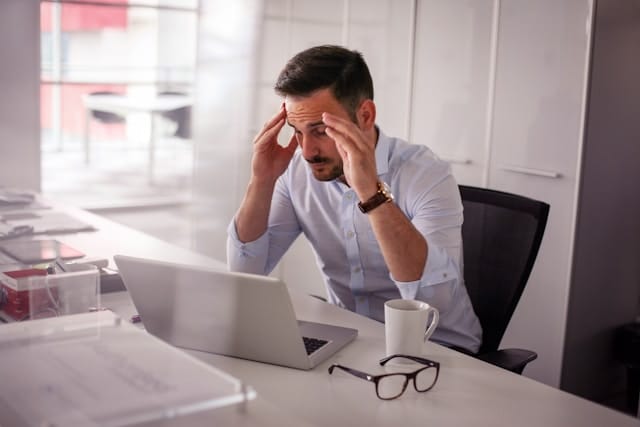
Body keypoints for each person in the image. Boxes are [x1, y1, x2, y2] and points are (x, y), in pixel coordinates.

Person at [227, 45, 482, 353]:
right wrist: (262, 180)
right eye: (297, 132)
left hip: (438, 350)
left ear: (364, 115)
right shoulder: (297, 171)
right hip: (351, 342)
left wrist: (370, 193)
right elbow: (245, 275)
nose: (307, 151)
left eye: (320, 131)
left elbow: (430, 301)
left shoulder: (425, 173)